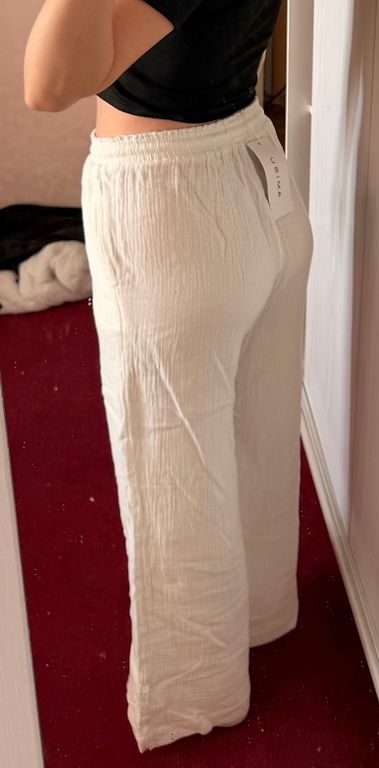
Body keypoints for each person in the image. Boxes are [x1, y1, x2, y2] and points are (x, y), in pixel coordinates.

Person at [24, 0, 313, 753]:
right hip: (255, 167)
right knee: (258, 436)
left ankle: (198, 694)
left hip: (168, 205)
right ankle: (260, 612)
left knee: (174, 475)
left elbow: (48, 80)